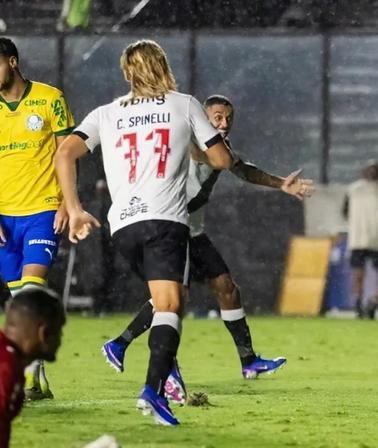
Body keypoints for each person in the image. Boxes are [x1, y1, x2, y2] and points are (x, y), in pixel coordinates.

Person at [54, 39, 233, 426]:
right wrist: (194, 144)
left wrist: (74, 208)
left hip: (123, 227)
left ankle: (154, 366)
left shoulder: (106, 113)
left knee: (164, 299)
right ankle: (152, 391)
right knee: (170, 306)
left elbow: (63, 153)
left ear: (127, 73)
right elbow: (222, 159)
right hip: (165, 220)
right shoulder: (184, 103)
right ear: (164, 66)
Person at [101, 94, 314, 396]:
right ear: (203, 117)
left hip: (194, 231)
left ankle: (248, 361)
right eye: (216, 117)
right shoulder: (187, 136)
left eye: (228, 118)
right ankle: (132, 351)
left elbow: (243, 168)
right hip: (170, 228)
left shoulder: (220, 149)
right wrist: (218, 148)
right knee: (175, 299)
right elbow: (211, 157)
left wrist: (280, 183)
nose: (223, 123)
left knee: (227, 288)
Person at [0, 37, 75, 401]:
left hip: (43, 210)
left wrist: (66, 204)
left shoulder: (49, 99)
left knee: (30, 293)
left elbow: (68, 153)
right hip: (3, 217)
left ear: (12, 62)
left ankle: (24, 382)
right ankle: (36, 377)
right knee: (19, 304)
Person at [0, 288, 66, 447]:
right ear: (44, 332)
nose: (60, 340)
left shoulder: (10, 360)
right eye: (58, 332)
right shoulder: (6, 368)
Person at [343, 160, 378, 318]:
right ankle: (362, 305)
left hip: (373, 239)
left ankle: (371, 304)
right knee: (363, 274)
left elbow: (345, 213)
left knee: (375, 274)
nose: (372, 173)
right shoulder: (354, 189)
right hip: (367, 239)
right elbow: (346, 212)